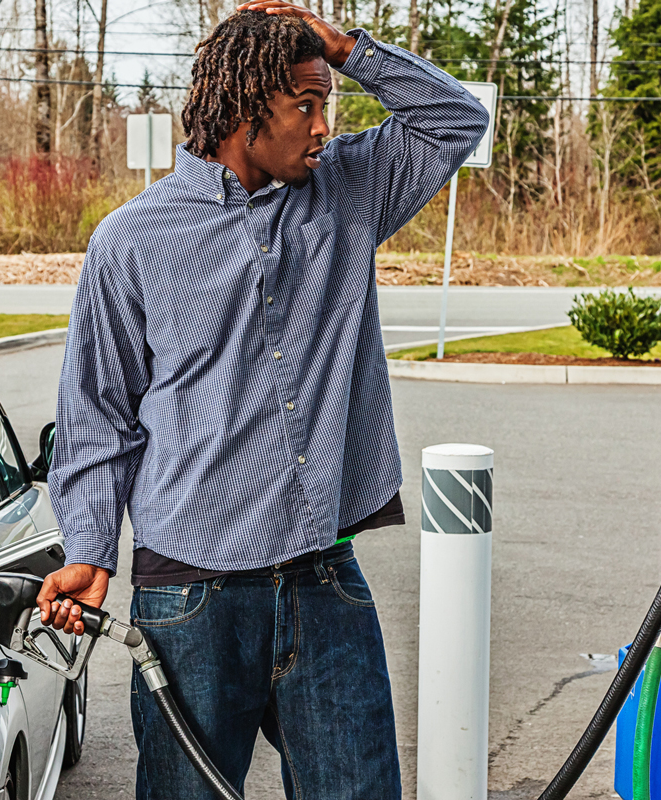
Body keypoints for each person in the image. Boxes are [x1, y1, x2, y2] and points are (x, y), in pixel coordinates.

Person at [38, 3, 487, 797]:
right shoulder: (130, 242)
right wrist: (88, 550)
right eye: (305, 106)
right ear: (245, 113)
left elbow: (455, 120)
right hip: (191, 599)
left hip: (324, 579)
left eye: (327, 106)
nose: (322, 127)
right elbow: (97, 418)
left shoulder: (349, 190)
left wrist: (345, 49)